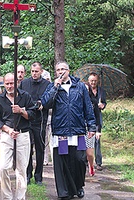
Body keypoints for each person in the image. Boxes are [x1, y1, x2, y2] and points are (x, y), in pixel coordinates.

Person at [41, 62, 96, 199]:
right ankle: (64, 192)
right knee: (63, 161)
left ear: (68, 71)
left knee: (79, 159)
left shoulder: (80, 87)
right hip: (61, 132)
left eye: (63, 69)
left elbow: (87, 107)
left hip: (79, 131)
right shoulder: (52, 87)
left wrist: (92, 125)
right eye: (58, 70)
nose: (60, 72)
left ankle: (78, 186)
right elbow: (45, 103)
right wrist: (55, 87)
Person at [0, 73, 36, 200]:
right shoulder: (0, 99)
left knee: (21, 170)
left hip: (23, 135)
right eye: (7, 83)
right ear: (4, 84)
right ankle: (7, 197)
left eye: (12, 83)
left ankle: (20, 197)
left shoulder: (25, 96)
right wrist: (7, 129)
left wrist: (21, 111)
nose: (10, 86)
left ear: (17, 83)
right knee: (3, 167)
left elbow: (33, 115)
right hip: (7, 136)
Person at [19, 62, 51, 185]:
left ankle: (39, 176)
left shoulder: (47, 85)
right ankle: (28, 174)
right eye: (32, 71)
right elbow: (20, 99)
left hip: (40, 121)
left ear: (41, 72)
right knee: (27, 148)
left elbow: (50, 101)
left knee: (40, 148)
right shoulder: (24, 83)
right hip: (27, 120)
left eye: (36, 71)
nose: (34, 73)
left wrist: (42, 104)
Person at [87, 72, 107, 172]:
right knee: (87, 140)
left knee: (97, 140)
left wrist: (102, 105)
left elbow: (104, 103)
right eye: (91, 81)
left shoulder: (101, 91)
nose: (93, 83)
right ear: (88, 81)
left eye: (94, 81)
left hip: (97, 116)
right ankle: (86, 161)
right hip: (87, 118)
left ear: (97, 81)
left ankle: (98, 162)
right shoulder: (86, 90)